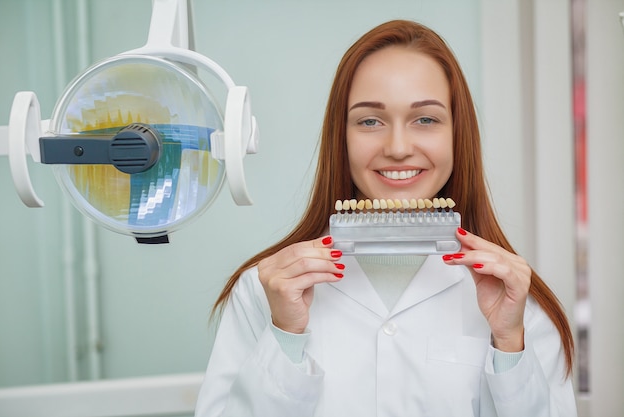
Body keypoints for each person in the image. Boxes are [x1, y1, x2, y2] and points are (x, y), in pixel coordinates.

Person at [194, 20, 577, 416]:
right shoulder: (262, 292)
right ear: (340, 137)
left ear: (457, 134)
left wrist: (509, 344)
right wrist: (286, 336)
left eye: (425, 119)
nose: (397, 148)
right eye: (370, 121)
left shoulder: (520, 305)